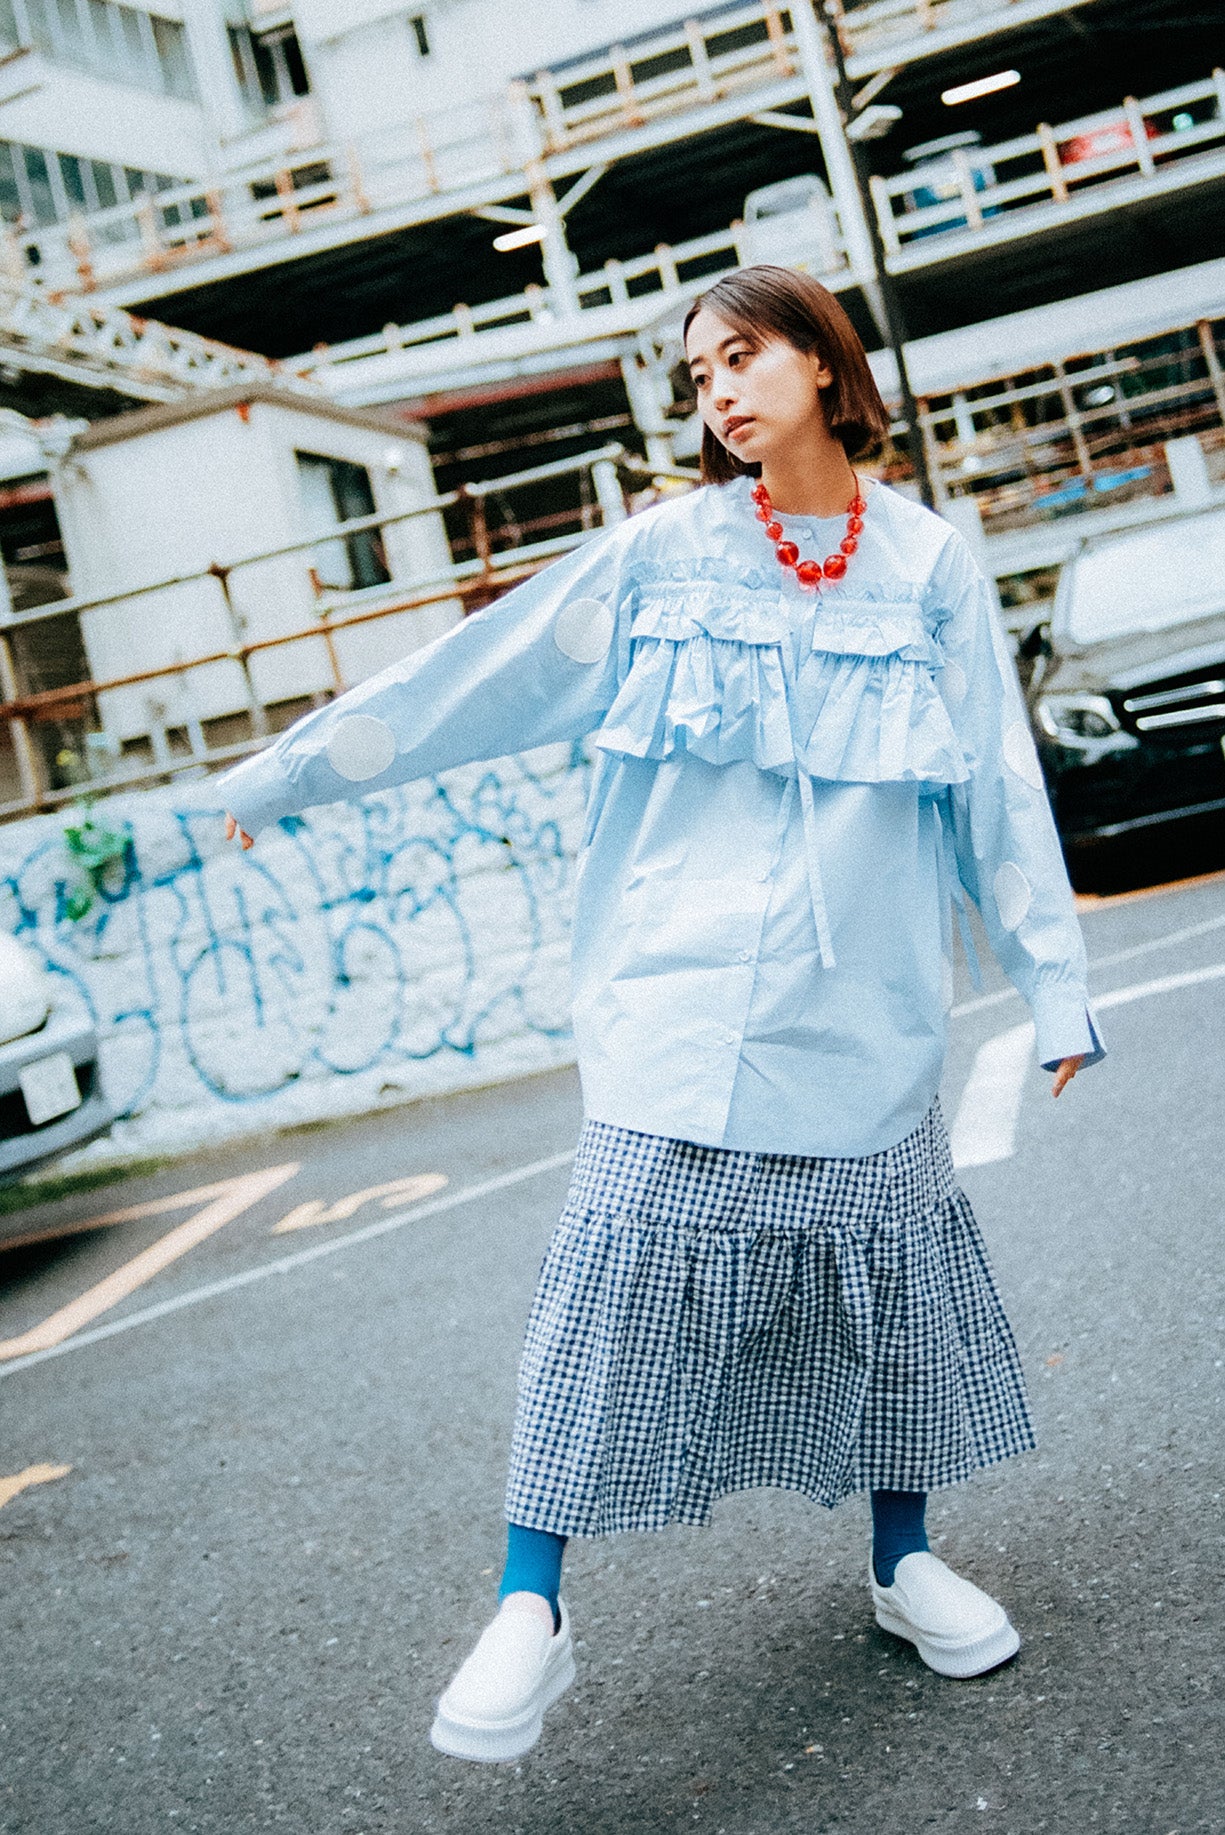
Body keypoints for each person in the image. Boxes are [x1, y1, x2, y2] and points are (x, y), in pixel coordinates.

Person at [221, 265, 1103, 1766]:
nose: (716, 388)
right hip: (671, 1004)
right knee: (608, 1293)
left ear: (825, 366)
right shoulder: (662, 555)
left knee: (884, 1292)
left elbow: (991, 789)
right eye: (697, 373)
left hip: (867, 1009)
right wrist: (287, 772)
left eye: (743, 356)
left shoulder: (928, 565)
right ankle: (528, 1601)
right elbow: (476, 675)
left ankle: (902, 1562)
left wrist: (1054, 982)